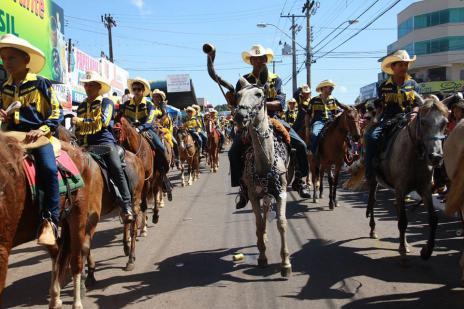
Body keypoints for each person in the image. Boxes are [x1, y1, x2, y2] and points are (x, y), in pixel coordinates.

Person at [230, 44, 311, 210]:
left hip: (273, 119)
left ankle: (300, 180)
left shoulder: (275, 79)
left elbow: (280, 103)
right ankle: (243, 188)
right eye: (255, 58)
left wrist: (260, 102)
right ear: (250, 61)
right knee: (233, 151)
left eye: (261, 58)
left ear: (266, 60)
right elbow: (236, 104)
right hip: (250, 122)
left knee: (300, 145)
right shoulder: (243, 80)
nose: (258, 61)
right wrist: (232, 100)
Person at [0, 34, 62, 246]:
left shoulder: (41, 83)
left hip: (36, 137)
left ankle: (50, 221)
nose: (6, 63)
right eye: (3, 58)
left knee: (48, 168)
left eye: (11, 58)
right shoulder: (5, 87)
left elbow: (56, 112)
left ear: (26, 60)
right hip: (9, 136)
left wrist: (42, 129)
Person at [72, 71, 134, 224]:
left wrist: (79, 121)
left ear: (99, 87)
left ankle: (126, 205)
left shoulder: (107, 103)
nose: (87, 87)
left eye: (91, 84)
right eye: (85, 84)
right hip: (84, 145)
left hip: (104, 143)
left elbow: (103, 122)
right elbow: (78, 130)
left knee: (116, 167)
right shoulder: (81, 106)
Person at [364, 50, 420, 181]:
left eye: (405, 65)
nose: (403, 68)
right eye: (400, 65)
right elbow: (379, 106)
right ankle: (370, 173)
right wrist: (375, 118)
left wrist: (415, 113)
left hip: (409, 119)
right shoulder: (383, 86)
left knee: (430, 138)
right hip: (389, 119)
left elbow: (419, 103)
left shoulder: (414, 84)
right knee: (370, 136)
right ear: (393, 67)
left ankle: (432, 176)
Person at [117, 78, 172, 194]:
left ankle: (162, 175)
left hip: (146, 130)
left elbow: (149, 122)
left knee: (160, 147)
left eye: (139, 89)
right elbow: (118, 118)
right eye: (134, 89)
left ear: (143, 91)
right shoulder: (126, 105)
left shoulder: (149, 105)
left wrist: (138, 128)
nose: (136, 91)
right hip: (129, 132)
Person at [308, 80, 349, 156]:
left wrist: (338, 115)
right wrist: (308, 126)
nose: (332, 89)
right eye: (330, 88)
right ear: (323, 88)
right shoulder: (314, 100)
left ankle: (348, 153)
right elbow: (308, 114)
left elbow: (341, 110)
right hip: (319, 121)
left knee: (345, 132)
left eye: (332, 88)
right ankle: (312, 153)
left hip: (331, 121)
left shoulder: (333, 100)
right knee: (315, 134)